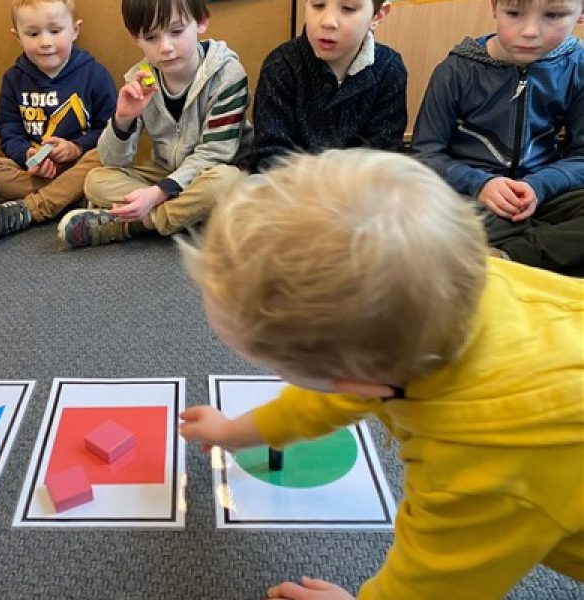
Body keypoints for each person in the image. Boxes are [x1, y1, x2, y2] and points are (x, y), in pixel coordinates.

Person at [177, 148, 583, 599]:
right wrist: (238, 431)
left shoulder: (475, 471)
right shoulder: (454, 290)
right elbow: (333, 394)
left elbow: (427, 588)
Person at [58, 0, 253, 248]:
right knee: (95, 180)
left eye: (176, 31)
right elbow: (112, 161)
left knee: (226, 183)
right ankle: (187, 216)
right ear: (135, 38)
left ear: (202, 22)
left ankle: (138, 223)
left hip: (213, 171)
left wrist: (157, 194)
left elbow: (216, 153)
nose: (166, 48)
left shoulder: (227, 75)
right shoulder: (140, 79)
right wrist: (123, 118)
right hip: (165, 171)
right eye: (151, 37)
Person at [412, 0, 584, 274]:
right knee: (425, 218)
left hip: (543, 194)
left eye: (552, 15)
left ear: (581, 14)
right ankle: (548, 246)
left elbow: (581, 157)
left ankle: (509, 255)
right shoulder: (455, 70)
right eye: (514, 14)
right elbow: (425, 154)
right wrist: (481, 185)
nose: (529, 31)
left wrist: (539, 186)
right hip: (470, 197)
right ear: (495, 7)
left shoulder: (577, 64)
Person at [0, 0, 116, 240]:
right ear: (17, 37)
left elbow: (111, 131)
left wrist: (76, 147)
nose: (45, 42)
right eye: (33, 33)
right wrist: (27, 154)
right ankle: (71, 196)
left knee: (104, 158)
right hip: (36, 171)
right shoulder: (13, 79)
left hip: (79, 163)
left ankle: (33, 209)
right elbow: (8, 130)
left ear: (75, 30)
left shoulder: (94, 74)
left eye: (55, 31)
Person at [251, 0, 406, 172]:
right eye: (318, 5)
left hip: (359, 190)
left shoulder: (389, 69)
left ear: (377, 15)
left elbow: (384, 155)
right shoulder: (280, 66)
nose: (328, 22)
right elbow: (271, 155)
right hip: (291, 190)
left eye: (348, 9)